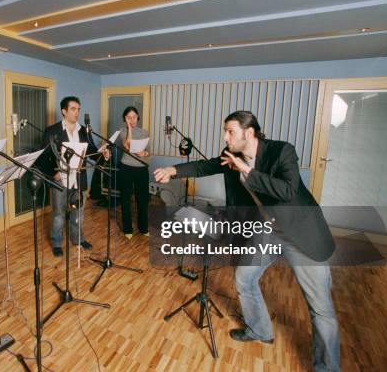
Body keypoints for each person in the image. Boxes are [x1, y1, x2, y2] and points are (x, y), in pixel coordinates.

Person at [154, 110, 340, 372]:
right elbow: (205, 166)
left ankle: (328, 368)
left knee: (320, 308)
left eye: (230, 131)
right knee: (244, 278)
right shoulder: (231, 155)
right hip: (269, 230)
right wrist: (174, 170)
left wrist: (246, 171)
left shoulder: (282, 152)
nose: (225, 137)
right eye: (225, 131)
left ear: (249, 133)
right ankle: (260, 329)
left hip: (301, 233)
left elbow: (287, 189)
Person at [38, 96, 100, 257]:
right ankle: (57, 242)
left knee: (78, 212)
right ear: (64, 111)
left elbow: (92, 151)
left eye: (78, 109)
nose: (77, 112)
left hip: (79, 178)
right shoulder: (52, 131)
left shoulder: (84, 130)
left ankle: (78, 239)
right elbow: (43, 157)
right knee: (58, 213)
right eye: (73, 109)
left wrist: (103, 154)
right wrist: (53, 173)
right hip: (61, 179)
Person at [117, 106, 150, 239]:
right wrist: (129, 128)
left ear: (138, 118)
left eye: (134, 117)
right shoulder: (122, 131)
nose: (132, 120)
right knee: (125, 199)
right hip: (126, 168)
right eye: (129, 117)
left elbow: (149, 152)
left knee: (142, 199)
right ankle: (127, 229)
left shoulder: (144, 132)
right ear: (125, 119)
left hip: (142, 168)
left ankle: (143, 228)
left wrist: (144, 153)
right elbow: (127, 146)